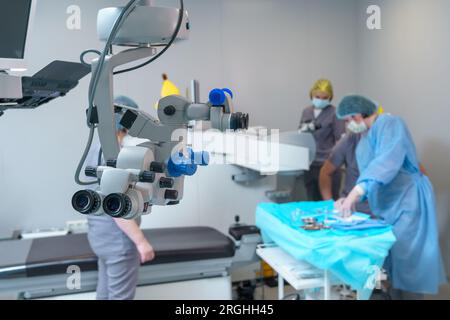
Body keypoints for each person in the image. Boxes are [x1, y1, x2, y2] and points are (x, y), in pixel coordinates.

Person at [335, 95, 447, 299]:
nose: (347, 124)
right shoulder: (364, 140)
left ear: (357, 115)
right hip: (388, 205)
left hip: (408, 201)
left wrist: (356, 193)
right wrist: (351, 198)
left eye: (347, 119)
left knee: (408, 260)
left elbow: (386, 162)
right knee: (392, 258)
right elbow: (369, 176)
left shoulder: (390, 124)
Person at [84, 95, 155, 300]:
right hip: (119, 242)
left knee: (105, 294)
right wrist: (141, 242)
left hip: (100, 239)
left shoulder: (96, 147)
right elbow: (116, 208)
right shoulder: (114, 155)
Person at [298, 79, 345, 201]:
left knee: (329, 201)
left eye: (324, 98)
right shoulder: (306, 111)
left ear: (330, 97)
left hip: (328, 164)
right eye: (317, 97)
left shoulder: (335, 113)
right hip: (309, 163)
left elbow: (340, 141)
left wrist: (333, 162)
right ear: (312, 95)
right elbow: (300, 135)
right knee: (311, 200)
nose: (320, 100)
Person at [319, 132, 372, 215]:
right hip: (350, 210)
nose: (350, 122)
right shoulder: (350, 140)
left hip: (379, 213)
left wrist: (356, 193)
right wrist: (329, 204)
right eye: (347, 120)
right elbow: (325, 172)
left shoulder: (387, 142)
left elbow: (376, 176)